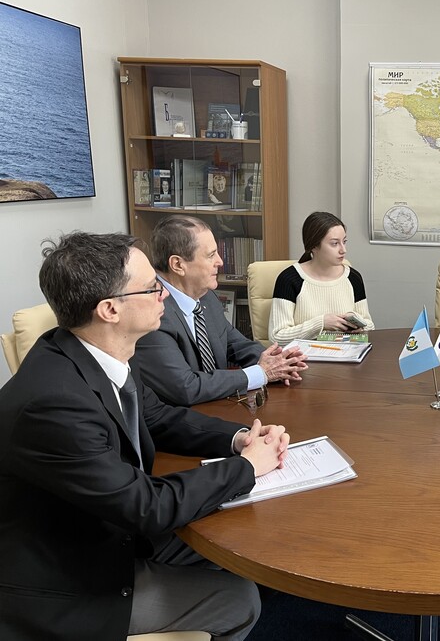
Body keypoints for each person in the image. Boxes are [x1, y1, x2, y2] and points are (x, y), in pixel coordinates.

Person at [0, 231, 291, 640]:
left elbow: (160, 418)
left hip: (112, 526)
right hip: (71, 576)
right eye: (152, 287)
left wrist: (239, 438)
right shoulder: (53, 405)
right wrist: (245, 467)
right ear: (110, 310)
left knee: (241, 535)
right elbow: (145, 507)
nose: (165, 295)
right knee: (241, 599)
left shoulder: (98, 350)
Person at [135, 215, 307, 406]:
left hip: (220, 404)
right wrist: (261, 373)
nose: (220, 261)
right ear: (178, 265)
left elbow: (236, 344)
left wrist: (280, 361)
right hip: (180, 417)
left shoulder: (206, 296)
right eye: (211, 255)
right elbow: (185, 388)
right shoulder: (152, 312)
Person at [268, 211, 374, 344]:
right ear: (314, 246)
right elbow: (277, 337)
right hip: (304, 356)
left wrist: (357, 322)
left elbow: (370, 327)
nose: (343, 250)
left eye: (344, 242)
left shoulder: (353, 278)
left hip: (346, 353)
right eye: (335, 243)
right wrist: (321, 323)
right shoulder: (289, 279)